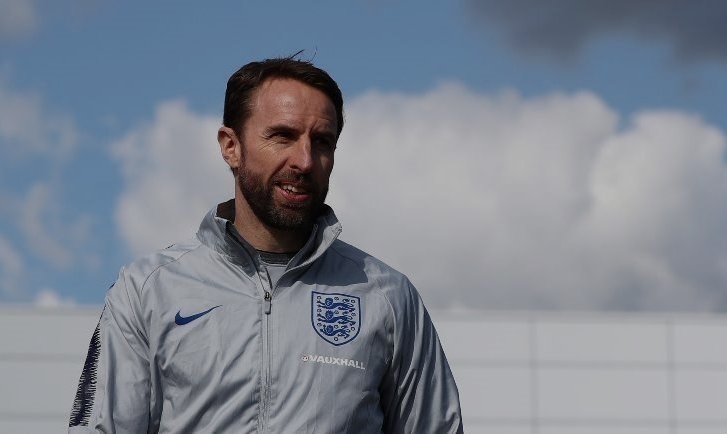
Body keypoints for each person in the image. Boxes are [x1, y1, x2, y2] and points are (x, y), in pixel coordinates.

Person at [68, 55, 463, 433]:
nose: (304, 161)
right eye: (282, 136)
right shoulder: (147, 290)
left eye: (322, 142)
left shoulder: (388, 297)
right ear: (231, 146)